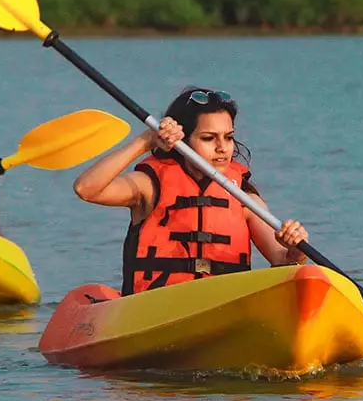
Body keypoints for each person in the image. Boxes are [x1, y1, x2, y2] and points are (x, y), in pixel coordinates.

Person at [72, 86, 309, 295]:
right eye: (208, 138)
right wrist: (146, 141)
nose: (222, 148)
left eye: (228, 138)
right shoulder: (149, 185)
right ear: (182, 141)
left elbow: (282, 260)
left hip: (222, 303)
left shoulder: (244, 197)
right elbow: (86, 189)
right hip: (155, 306)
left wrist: (295, 250)